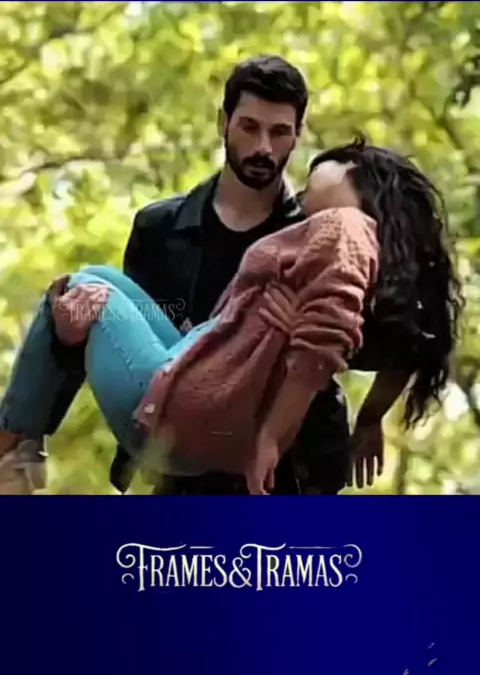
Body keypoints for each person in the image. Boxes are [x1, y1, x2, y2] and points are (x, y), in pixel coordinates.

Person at [0, 138, 462, 496]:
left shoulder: (346, 227)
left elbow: (317, 353)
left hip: (195, 413)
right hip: (204, 386)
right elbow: (410, 347)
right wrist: (371, 418)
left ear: (357, 173)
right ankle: (20, 447)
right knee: (98, 278)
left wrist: (271, 439)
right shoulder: (368, 259)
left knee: (84, 287)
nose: (301, 195)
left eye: (314, 178)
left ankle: (12, 448)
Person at [3, 55, 354, 496]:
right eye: (249, 127)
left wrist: (362, 401)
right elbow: (125, 350)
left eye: (280, 132)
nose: (263, 147)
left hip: (266, 476)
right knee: (84, 286)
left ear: (297, 136)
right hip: (174, 467)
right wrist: (67, 338)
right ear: (223, 123)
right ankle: (17, 453)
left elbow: (350, 347)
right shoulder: (160, 228)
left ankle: (11, 448)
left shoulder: (311, 239)